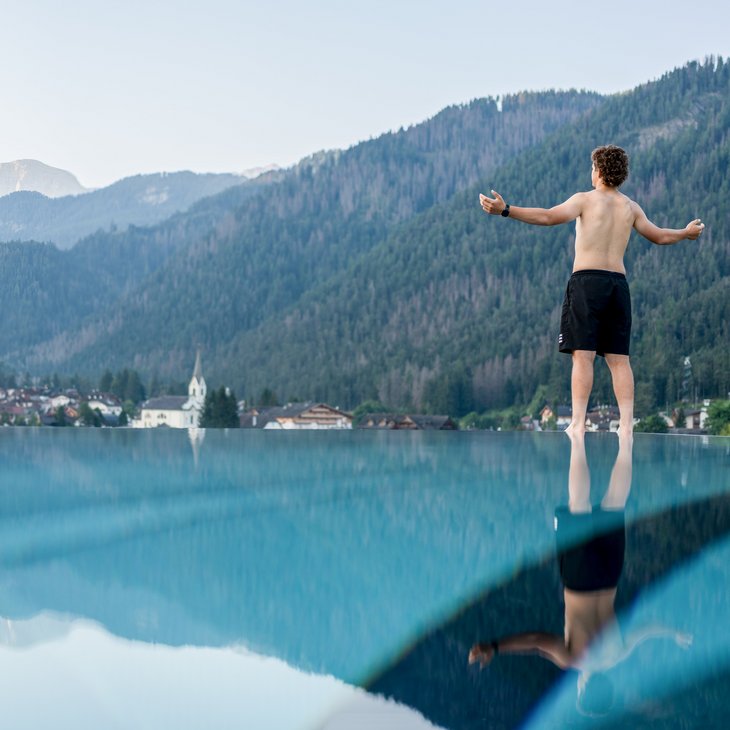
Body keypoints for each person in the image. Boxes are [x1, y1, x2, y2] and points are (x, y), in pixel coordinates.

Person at [479, 146, 705, 435]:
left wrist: (506, 210)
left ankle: (578, 422)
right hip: (618, 286)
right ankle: (625, 425)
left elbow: (548, 217)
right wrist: (685, 233)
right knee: (619, 360)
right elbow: (659, 236)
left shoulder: (585, 200)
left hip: (587, 282)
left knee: (582, 355)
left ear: (597, 171)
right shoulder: (631, 207)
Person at [468, 430, 691, 716]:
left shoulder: (618, 654)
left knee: (615, 502)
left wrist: (675, 633)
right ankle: (577, 440)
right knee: (579, 505)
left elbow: (648, 628)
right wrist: (494, 647)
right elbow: (537, 641)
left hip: (610, 576)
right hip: (579, 580)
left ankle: (626, 442)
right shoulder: (574, 659)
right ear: (582, 688)